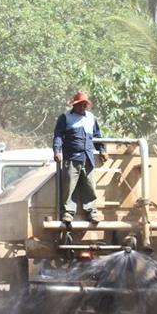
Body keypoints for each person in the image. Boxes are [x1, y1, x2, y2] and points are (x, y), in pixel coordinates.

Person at [53, 91, 108, 224]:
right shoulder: (65, 117)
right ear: (74, 105)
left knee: (89, 185)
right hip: (71, 157)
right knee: (69, 185)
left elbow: (97, 136)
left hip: (88, 157)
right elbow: (58, 135)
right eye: (80, 104)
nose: (82, 107)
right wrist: (57, 151)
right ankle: (68, 212)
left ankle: (92, 212)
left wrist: (102, 150)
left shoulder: (91, 118)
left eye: (85, 104)